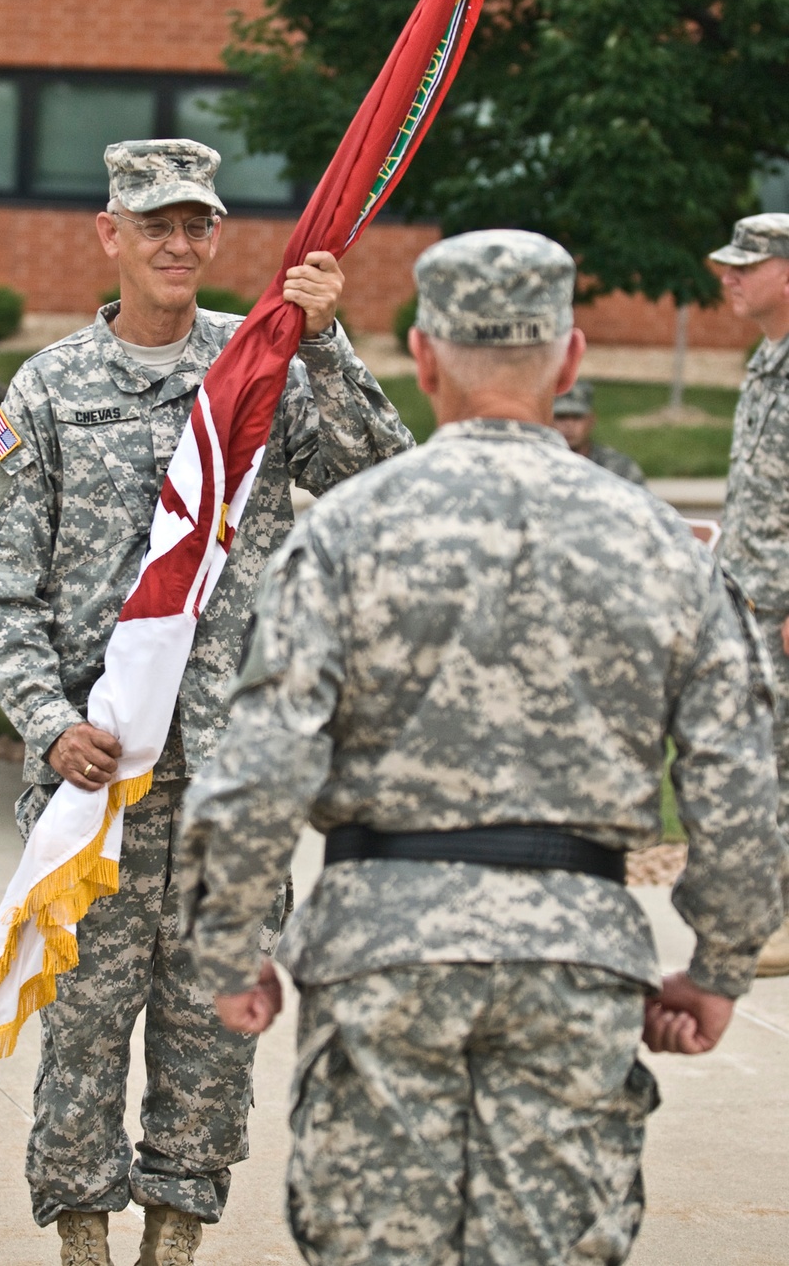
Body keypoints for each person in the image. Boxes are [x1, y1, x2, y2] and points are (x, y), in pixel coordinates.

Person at [178, 228, 788, 1266]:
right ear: (571, 357)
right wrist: (719, 961)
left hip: (382, 953)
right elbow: (739, 775)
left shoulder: (345, 532)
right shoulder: (655, 542)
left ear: (421, 355)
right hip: (575, 953)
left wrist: (231, 944)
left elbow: (259, 760)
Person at [0, 137, 413, 1266]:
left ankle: (175, 1233)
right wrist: (48, 719)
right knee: (83, 1028)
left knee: (213, 1026)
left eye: (197, 224)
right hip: (98, 778)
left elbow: (380, 481)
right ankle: (81, 1236)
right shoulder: (52, 390)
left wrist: (326, 345)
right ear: (109, 234)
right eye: (155, 223)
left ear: (217, 237)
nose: (178, 243)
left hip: (231, 774)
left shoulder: (257, 365)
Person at [710, 211, 789, 977]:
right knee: (763, 755)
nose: (728, 275)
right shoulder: (770, 358)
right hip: (751, 594)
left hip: (783, 601)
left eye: (746, 264)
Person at [552, 379, 646, 484]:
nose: (569, 425)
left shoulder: (619, 469)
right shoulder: (538, 465)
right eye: (561, 417)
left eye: (577, 417)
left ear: (591, 420)